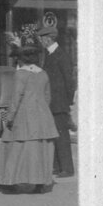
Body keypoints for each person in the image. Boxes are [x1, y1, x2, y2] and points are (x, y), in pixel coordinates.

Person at [0, 43, 58, 195]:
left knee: (13, 148)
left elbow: (16, 98)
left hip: (22, 116)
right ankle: (40, 183)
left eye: (17, 59)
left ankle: (8, 182)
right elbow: (48, 97)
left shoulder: (20, 74)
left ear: (21, 60)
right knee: (39, 150)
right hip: (43, 117)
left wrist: (9, 117)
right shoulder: (43, 74)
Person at [37, 24, 76, 178]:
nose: (40, 41)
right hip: (52, 103)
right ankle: (58, 167)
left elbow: (69, 81)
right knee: (55, 135)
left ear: (48, 39)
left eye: (41, 39)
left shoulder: (61, 55)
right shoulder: (50, 54)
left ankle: (67, 168)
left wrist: (67, 103)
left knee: (62, 136)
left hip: (59, 104)